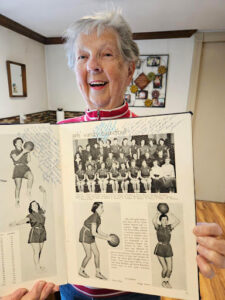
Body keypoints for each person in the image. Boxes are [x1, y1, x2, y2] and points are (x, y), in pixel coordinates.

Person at [4, 9, 225, 300]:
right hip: (72, 289)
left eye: (106, 54)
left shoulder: (159, 137)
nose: (93, 65)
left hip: (136, 290)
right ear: (75, 70)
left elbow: (168, 204)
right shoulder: (52, 138)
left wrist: (196, 244)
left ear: (130, 68)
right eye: (82, 57)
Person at [9, 186, 47, 272]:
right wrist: (14, 223)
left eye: (36, 204)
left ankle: (38, 265)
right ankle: (37, 268)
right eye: (33, 204)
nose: (35, 205)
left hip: (43, 232)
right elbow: (23, 221)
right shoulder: (30, 215)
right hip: (35, 233)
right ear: (31, 207)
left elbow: (45, 202)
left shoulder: (42, 212)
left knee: (40, 250)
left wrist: (44, 193)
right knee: (36, 251)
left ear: (38, 205)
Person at [79, 202, 110, 280]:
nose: (103, 209)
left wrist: (108, 235)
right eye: (101, 207)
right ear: (96, 209)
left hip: (90, 235)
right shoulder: (94, 217)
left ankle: (98, 273)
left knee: (97, 254)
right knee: (89, 255)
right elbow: (94, 233)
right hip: (85, 234)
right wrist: (106, 239)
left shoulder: (98, 217)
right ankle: (81, 271)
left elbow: (98, 231)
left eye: (103, 207)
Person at [152, 210, 180, 288]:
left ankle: (166, 282)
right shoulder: (158, 227)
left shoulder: (169, 227)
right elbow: (153, 221)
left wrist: (171, 214)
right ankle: (162, 282)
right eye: (163, 219)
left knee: (170, 269)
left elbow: (178, 221)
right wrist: (157, 214)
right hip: (160, 248)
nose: (165, 221)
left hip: (168, 248)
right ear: (160, 221)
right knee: (164, 268)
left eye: (166, 219)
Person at [10, 137, 34, 206]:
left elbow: (29, 161)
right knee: (18, 187)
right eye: (19, 142)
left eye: (21, 142)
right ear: (15, 144)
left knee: (31, 176)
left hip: (25, 167)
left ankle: (28, 192)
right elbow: (16, 159)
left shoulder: (24, 151)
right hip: (17, 168)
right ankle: (17, 201)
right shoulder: (13, 151)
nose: (20, 143)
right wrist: (23, 152)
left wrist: (28, 152)